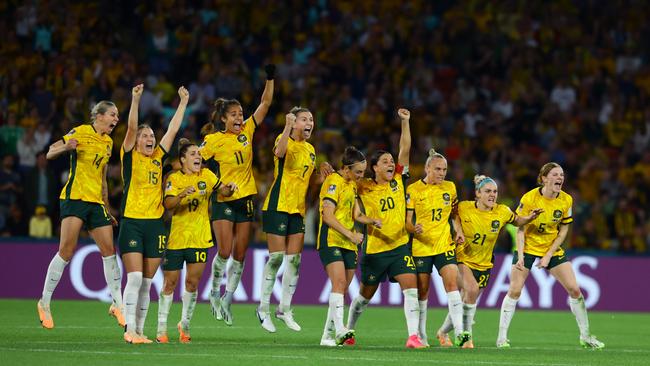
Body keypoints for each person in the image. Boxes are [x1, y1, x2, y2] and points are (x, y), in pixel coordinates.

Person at [496, 163, 605, 349]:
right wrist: (520, 255)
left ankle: (585, 336)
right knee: (514, 290)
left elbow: (564, 230)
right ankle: (502, 338)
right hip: (528, 247)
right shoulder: (529, 198)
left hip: (551, 247)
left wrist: (548, 255)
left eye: (562, 174)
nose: (560, 178)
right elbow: (520, 229)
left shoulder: (566, 200)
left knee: (575, 290)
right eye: (555, 174)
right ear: (544, 178)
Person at [37, 100, 123, 329]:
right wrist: (66, 147)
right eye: (113, 115)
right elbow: (50, 152)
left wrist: (106, 206)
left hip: (95, 203)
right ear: (100, 115)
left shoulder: (109, 142)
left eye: (117, 116)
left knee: (109, 251)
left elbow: (103, 177)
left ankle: (118, 304)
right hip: (75, 198)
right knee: (66, 250)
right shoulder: (81, 131)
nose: (116, 119)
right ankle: (44, 302)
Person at [200, 64, 275, 326]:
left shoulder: (247, 132)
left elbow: (265, 103)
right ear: (223, 118)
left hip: (245, 200)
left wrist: (269, 77)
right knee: (224, 250)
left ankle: (228, 298)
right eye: (234, 114)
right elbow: (195, 166)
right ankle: (213, 292)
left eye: (241, 113)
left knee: (241, 255)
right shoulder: (212, 141)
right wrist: (217, 184)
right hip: (223, 201)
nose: (239, 118)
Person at [346, 109, 425, 349]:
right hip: (376, 251)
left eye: (392, 161)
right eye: (385, 162)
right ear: (375, 168)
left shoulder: (399, 181)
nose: (391, 163)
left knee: (411, 290)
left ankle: (413, 337)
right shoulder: (364, 186)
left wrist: (405, 122)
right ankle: (348, 330)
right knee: (363, 298)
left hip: (400, 247)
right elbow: (344, 181)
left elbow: (405, 149)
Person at [436, 175, 542, 348]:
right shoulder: (464, 207)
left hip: (484, 263)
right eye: (487, 191)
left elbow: (517, 221)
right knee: (471, 289)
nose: (492, 195)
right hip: (461, 258)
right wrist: (459, 231)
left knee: (467, 300)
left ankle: (442, 331)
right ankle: (467, 337)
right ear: (477, 194)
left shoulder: (502, 212)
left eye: (495, 191)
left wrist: (529, 217)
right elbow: (453, 216)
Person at [118, 84, 188, 343]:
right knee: (135, 277)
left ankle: (139, 330)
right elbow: (130, 128)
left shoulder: (158, 156)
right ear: (135, 141)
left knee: (147, 283)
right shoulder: (129, 156)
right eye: (144, 135)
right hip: (133, 222)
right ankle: (129, 330)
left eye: (151, 136)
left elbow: (172, 129)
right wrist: (135, 100)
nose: (149, 138)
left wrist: (182, 103)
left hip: (156, 225)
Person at [256, 107, 332, 333]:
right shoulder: (284, 138)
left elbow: (309, 181)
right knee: (277, 259)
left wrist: (322, 174)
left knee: (295, 261)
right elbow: (279, 154)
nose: (309, 123)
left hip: (297, 210)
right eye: (304, 119)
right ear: (294, 122)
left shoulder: (310, 150)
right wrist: (287, 126)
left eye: (311, 119)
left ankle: (284, 309)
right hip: (277, 205)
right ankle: (262, 308)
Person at [156, 139, 236, 343]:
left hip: (200, 238)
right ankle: (161, 329)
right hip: (177, 239)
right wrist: (182, 194)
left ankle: (185, 326)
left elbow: (223, 191)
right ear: (182, 159)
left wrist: (230, 188)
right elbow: (168, 204)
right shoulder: (175, 179)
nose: (198, 156)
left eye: (198, 154)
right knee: (170, 283)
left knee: (192, 283)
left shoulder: (208, 175)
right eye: (193, 154)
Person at [405, 148, 469, 348]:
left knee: (452, 284)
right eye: (438, 169)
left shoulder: (450, 187)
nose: (442, 173)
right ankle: (421, 335)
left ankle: (460, 333)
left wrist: (458, 230)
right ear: (427, 168)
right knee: (423, 291)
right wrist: (414, 229)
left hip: (444, 244)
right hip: (422, 246)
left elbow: (454, 214)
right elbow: (406, 222)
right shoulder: (413, 190)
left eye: (444, 169)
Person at [317, 146, 381, 347]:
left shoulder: (352, 185)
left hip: (349, 242)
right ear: (345, 169)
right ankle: (340, 330)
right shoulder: (333, 182)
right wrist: (350, 234)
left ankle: (327, 336)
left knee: (342, 288)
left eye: (363, 172)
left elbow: (355, 215)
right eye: (358, 172)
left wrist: (371, 220)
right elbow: (327, 216)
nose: (361, 176)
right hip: (332, 239)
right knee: (338, 283)